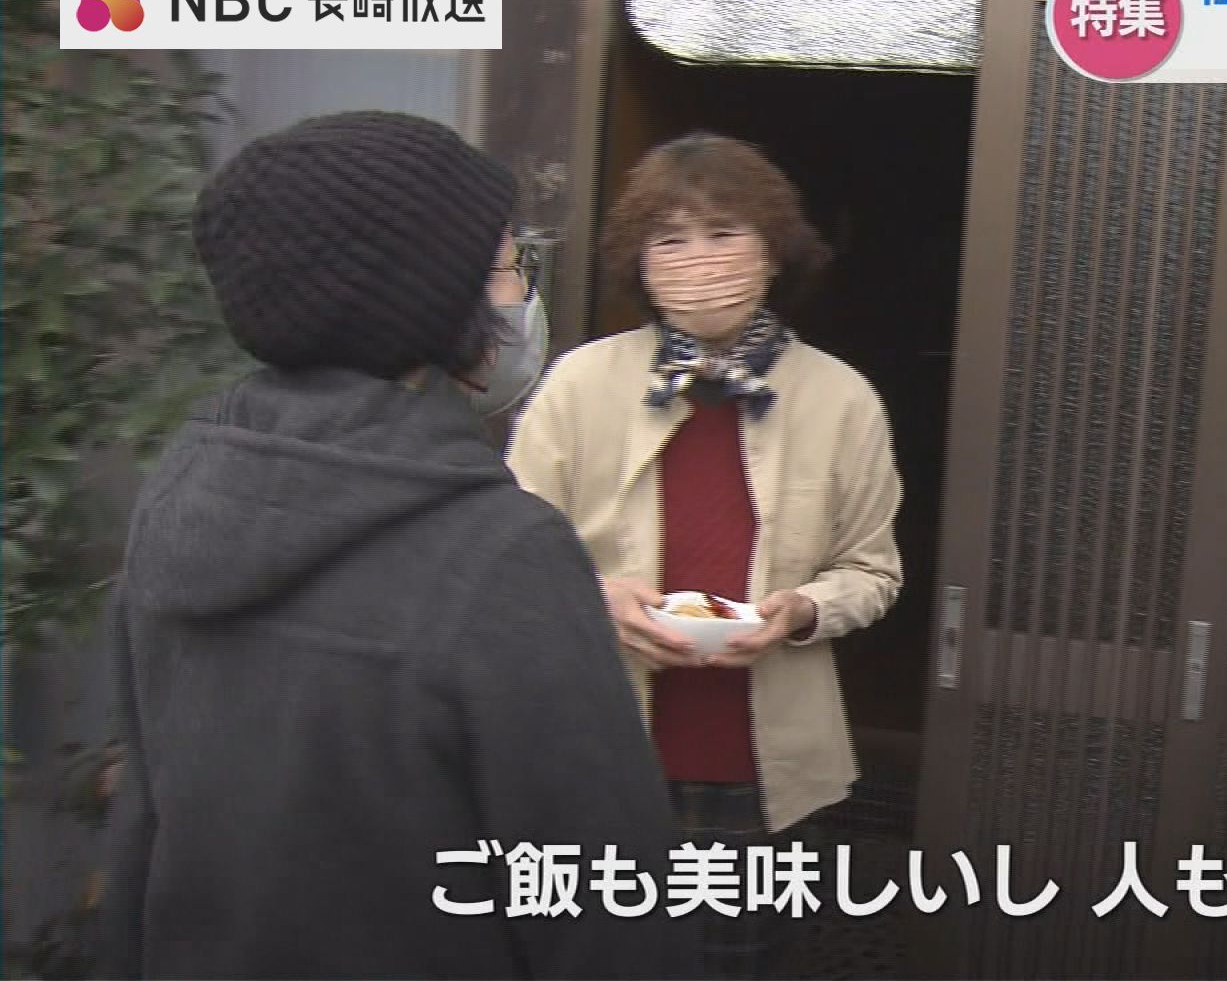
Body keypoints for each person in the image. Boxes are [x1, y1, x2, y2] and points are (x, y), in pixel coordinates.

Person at [93, 110, 696, 981]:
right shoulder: (502, 552)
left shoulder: (180, 498)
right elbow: (605, 906)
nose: (519, 295)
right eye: (505, 267)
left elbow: (142, 836)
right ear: (425, 299)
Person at [505, 131, 903, 979]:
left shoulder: (841, 399)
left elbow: (873, 571)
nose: (699, 259)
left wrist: (802, 610)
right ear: (640, 263)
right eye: (670, 238)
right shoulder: (577, 385)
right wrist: (596, 598)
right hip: (597, 756)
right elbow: (506, 556)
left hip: (763, 774)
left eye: (724, 232)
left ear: (774, 251)